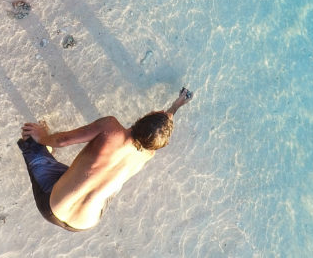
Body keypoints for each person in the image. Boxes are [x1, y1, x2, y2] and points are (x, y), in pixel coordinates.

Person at [17, 87, 193, 232]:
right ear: (158, 146)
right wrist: (176, 106)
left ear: (144, 117)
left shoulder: (110, 127)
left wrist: (42, 138)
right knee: (112, 186)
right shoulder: (147, 156)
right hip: (84, 224)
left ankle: (43, 147)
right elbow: (158, 132)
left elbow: (63, 141)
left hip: (52, 206)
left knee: (32, 139)